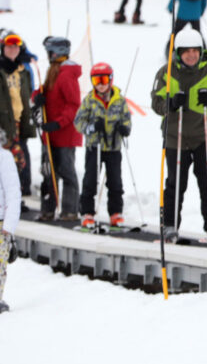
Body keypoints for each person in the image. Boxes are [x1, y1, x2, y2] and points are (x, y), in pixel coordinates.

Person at [151, 28, 207, 243]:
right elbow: (156, 104)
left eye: (195, 51)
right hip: (176, 136)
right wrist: (171, 103)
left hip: (204, 136)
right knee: (176, 182)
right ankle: (170, 225)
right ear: (178, 53)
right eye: (186, 52)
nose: (191, 55)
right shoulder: (165, 73)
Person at [74, 62, 131, 229]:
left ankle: (115, 213)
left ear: (111, 80)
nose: (100, 84)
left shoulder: (119, 100)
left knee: (115, 181)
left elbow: (127, 118)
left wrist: (124, 129)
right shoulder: (89, 100)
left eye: (104, 79)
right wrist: (91, 127)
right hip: (95, 147)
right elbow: (78, 122)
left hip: (113, 147)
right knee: (90, 180)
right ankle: (87, 213)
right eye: (96, 80)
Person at [37, 36, 82, 221]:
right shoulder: (53, 72)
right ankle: (48, 210)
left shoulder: (65, 75)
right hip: (50, 134)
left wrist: (59, 123)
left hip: (64, 134)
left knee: (66, 172)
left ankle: (70, 210)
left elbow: (73, 105)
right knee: (49, 172)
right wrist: (37, 96)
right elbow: (46, 92)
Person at [0, 33, 34, 204]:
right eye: (9, 46)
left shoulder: (22, 71)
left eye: (16, 46)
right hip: (4, 124)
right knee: (11, 160)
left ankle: (13, 199)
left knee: (17, 162)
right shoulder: (1, 70)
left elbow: (25, 97)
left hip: (19, 122)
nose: (12, 49)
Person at [0, 126, 20, 313]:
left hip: (1, 222)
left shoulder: (4, 159)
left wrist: (9, 225)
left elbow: (13, 193)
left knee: (0, 263)